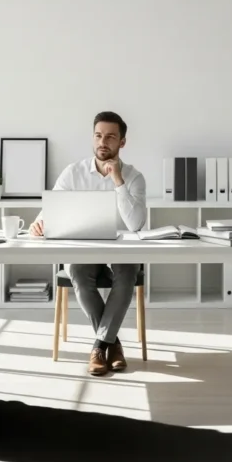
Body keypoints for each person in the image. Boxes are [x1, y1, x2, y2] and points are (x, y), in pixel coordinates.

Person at [29, 111, 146, 376]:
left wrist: (118, 180)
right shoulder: (73, 173)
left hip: (121, 251)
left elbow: (135, 224)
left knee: (127, 273)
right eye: (98, 135)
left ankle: (97, 346)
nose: (102, 142)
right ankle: (112, 345)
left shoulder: (134, 177)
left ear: (122, 142)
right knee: (79, 273)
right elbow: (51, 208)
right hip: (84, 247)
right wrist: (39, 223)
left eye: (110, 137)